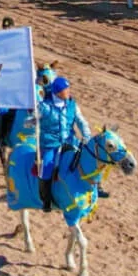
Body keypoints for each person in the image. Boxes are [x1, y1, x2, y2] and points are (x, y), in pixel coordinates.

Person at [36, 76, 92, 212]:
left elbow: (81, 121)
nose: (68, 92)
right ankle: (46, 199)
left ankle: (96, 187)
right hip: (51, 144)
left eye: (68, 89)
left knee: (89, 158)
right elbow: (32, 120)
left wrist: (86, 136)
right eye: (65, 90)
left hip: (70, 140)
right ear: (57, 92)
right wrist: (31, 119)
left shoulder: (72, 104)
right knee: (46, 168)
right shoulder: (44, 107)